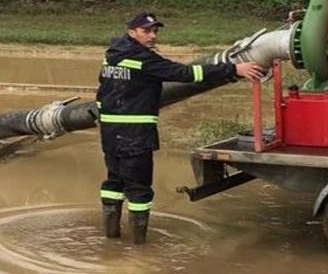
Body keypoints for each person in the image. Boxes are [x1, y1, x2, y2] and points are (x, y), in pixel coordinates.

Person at [96, 12, 264, 244]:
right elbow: (186, 74)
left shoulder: (112, 56)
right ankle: (138, 248)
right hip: (135, 135)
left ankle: (111, 236)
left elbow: (102, 90)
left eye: (155, 31)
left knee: (114, 182)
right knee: (139, 189)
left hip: (110, 133)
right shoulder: (144, 59)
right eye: (146, 31)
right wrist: (233, 69)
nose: (153, 36)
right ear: (131, 32)